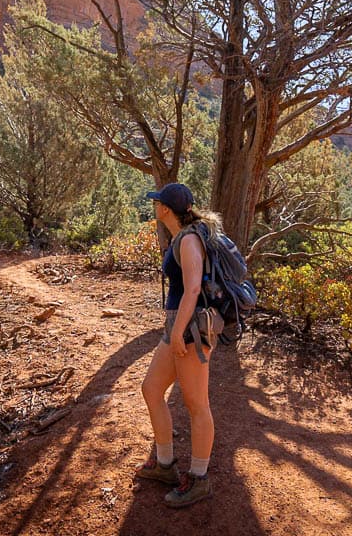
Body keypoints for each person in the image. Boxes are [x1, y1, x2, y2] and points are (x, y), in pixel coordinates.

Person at [134, 182, 219, 508]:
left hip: (191, 329)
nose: (154, 206)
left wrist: (180, 333)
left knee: (197, 404)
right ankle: (166, 465)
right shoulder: (180, 237)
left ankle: (199, 479)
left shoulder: (188, 239)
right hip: (177, 326)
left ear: (165, 209)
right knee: (152, 389)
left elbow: (194, 288)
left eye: (157, 202)